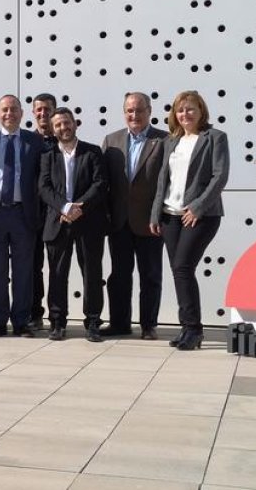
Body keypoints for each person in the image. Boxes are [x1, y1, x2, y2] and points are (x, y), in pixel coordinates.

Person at [150, 91, 229, 351]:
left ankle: (193, 330)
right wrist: (155, 214)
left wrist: (197, 207)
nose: (185, 114)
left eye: (190, 109)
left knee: (183, 267)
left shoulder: (215, 138)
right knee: (179, 271)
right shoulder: (171, 141)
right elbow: (163, 180)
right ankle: (187, 329)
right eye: (180, 110)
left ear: (201, 111)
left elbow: (220, 177)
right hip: (170, 216)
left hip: (201, 215)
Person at [0, 95, 44, 337]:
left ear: (22, 113)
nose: (9, 114)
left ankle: (21, 322)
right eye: (4, 110)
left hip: (22, 213)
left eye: (14, 109)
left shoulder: (34, 142)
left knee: (24, 270)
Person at [38, 107, 108, 342]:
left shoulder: (93, 151)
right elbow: (44, 188)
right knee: (57, 274)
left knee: (92, 273)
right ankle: (57, 322)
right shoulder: (48, 156)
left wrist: (80, 207)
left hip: (89, 222)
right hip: (58, 221)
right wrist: (66, 208)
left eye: (66, 123)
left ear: (75, 123)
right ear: (52, 128)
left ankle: (93, 322)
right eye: (58, 125)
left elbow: (100, 184)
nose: (63, 128)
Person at [101, 92, 166, 340]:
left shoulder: (163, 140)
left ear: (149, 111)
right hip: (119, 222)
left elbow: (166, 183)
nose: (134, 115)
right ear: (124, 112)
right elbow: (105, 182)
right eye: (129, 110)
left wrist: (158, 216)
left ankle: (148, 325)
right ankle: (119, 323)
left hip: (150, 222)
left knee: (150, 275)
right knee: (119, 275)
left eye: (139, 110)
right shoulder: (112, 140)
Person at [28, 92, 58, 330]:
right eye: (38, 109)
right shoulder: (29, 142)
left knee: (59, 268)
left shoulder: (65, 141)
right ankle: (34, 313)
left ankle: (58, 316)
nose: (42, 113)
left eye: (47, 109)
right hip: (34, 215)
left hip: (59, 215)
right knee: (33, 267)